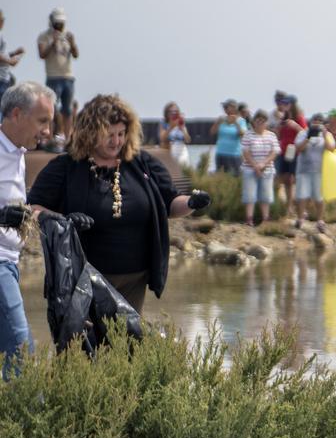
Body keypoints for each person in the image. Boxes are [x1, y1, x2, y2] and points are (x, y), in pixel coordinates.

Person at [28, 94, 212, 314]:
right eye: (109, 135)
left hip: (135, 278)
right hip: (83, 280)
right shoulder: (65, 167)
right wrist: (64, 220)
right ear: (91, 132)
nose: (116, 141)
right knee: (86, 345)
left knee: (126, 345)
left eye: (121, 134)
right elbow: (33, 209)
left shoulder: (143, 163)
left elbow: (170, 203)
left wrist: (191, 202)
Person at [0, 81, 55, 378]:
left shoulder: (17, 153)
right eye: (42, 120)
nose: (47, 131)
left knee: (15, 353)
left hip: (11, 264)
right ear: (17, 114)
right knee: (22, 353)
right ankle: (31, 423)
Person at [37, 8, 79, 142]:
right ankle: (50, 138)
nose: (59, 26)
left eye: (61, 23)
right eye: (57, 23)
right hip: (53, 77)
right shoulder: (44, 36)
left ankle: (67, 139)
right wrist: (53, 42)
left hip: (68, 77)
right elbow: (42, 54)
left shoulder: (68, 35)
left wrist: (72, 43)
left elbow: (76, 54)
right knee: (52, 109)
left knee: (67, 109)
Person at [293, 112, 334, 232]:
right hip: (303, 170)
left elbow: (331, 148)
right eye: (314, 121)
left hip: (319, 170)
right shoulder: (303, 133)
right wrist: (308, 137)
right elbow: (298, 149)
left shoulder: (327, 135)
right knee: (302, 195)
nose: (316, 124)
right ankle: (300, 219)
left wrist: (325, 134)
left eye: (319, 122)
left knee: (318, 196)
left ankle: (320, 220)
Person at [241, 110, 280, 226]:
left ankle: (265, 219)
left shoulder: (271, 135)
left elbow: (275, 152)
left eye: (263, 121)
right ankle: (249, 219)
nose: (260, 123)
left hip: (267, 169)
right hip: (249, 168)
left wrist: (263, 164)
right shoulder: (248, 134)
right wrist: (255, 166)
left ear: (266, 122)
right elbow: (245, 152)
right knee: (249, 195)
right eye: (258, 120)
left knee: (266, 195)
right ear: (254, 121)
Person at [272, 94, 306, 217]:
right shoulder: (283, 118)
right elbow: (279, 135)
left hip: (295, 152)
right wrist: (278, 127)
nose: (283, 106)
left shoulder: (299, 117)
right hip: (283, 151)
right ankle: (287, 207)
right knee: (284, 179)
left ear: (292, 105)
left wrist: (295, 125)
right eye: (283, 104)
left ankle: (293, 208)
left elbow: (305, 133)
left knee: (292, 180)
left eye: (286, 104)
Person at [210, 99, 247, 174]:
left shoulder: (241, 121)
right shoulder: (222, 120)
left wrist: (236, 123)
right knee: (220, 177)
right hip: (220, 153)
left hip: (234, 155)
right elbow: (212, 132)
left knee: (235, 177)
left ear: (234, 108)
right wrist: (217, 123)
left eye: (226, 107)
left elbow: (243, 135)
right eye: (224, 107)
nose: (224, 109)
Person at [0, 9, 25, 100]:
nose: (3, 21)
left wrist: (14, 53)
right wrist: (10, 61)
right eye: (2, 19)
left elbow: (2, 54)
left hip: (4, 79)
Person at [159, 102, 190, 167]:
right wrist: (171, 127)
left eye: (175, 111)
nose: (173, 113)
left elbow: (188, 140)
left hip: (181, 150)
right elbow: (162, 138)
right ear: (166, 113)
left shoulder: (180, 122)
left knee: (182, 169)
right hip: (169, 149)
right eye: (171, 112)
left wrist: (183, 129)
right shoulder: (164, 123)